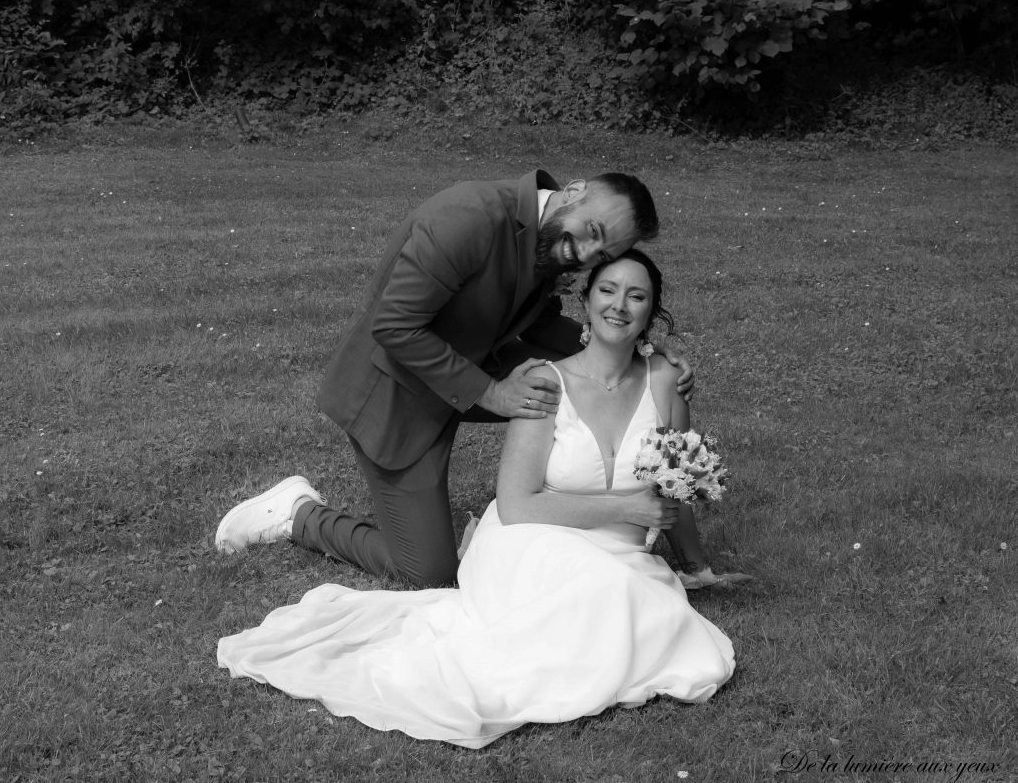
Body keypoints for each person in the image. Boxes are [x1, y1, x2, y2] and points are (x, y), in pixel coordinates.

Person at [217, 249, 736, 748]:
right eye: (607, 290)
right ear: (587, 299)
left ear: (652, 311)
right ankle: (299, 515)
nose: (619, 305)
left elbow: (676, 486)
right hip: (529, 539)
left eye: (636, 296)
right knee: (608, 597)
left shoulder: (666, 382)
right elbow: (518, 505)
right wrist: (626, 509)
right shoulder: (545, 382)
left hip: (620, 554)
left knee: (635, 601)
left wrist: (695, 564)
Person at [214, 170, 696, 587]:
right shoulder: (468, 216)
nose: (585, 253)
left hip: (464, 366)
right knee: (426, 571)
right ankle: (298, 514)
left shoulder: (552, 238)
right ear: (573, 191)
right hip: (395, 391)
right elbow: (394, 325)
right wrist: (492, 392)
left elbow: (544, 322)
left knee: (566, 384)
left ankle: (534, 515)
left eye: (602, 252)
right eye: (591, 231)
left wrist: (641, 351)